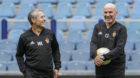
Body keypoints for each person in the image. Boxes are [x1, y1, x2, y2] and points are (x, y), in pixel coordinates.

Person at [16, 9, 61, 78]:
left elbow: (55, 50)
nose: (45, 19)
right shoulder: (24, 37)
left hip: (48, 74)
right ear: (33, 20)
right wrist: (24, 70)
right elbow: (19, 55)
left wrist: (57, 67)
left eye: (44, 17)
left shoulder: (50, 34)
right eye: (42, 17)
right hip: (31, 74)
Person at [90, 3, 127, 78]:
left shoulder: (121, 29)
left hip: (116, 69)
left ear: (116, 13)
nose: (107, 14)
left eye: (110, 12)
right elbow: (93, 43)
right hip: (100, 67)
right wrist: (95, 56)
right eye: (105, 12)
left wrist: (103, 57)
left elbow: (119, 48)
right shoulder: (97, 27)